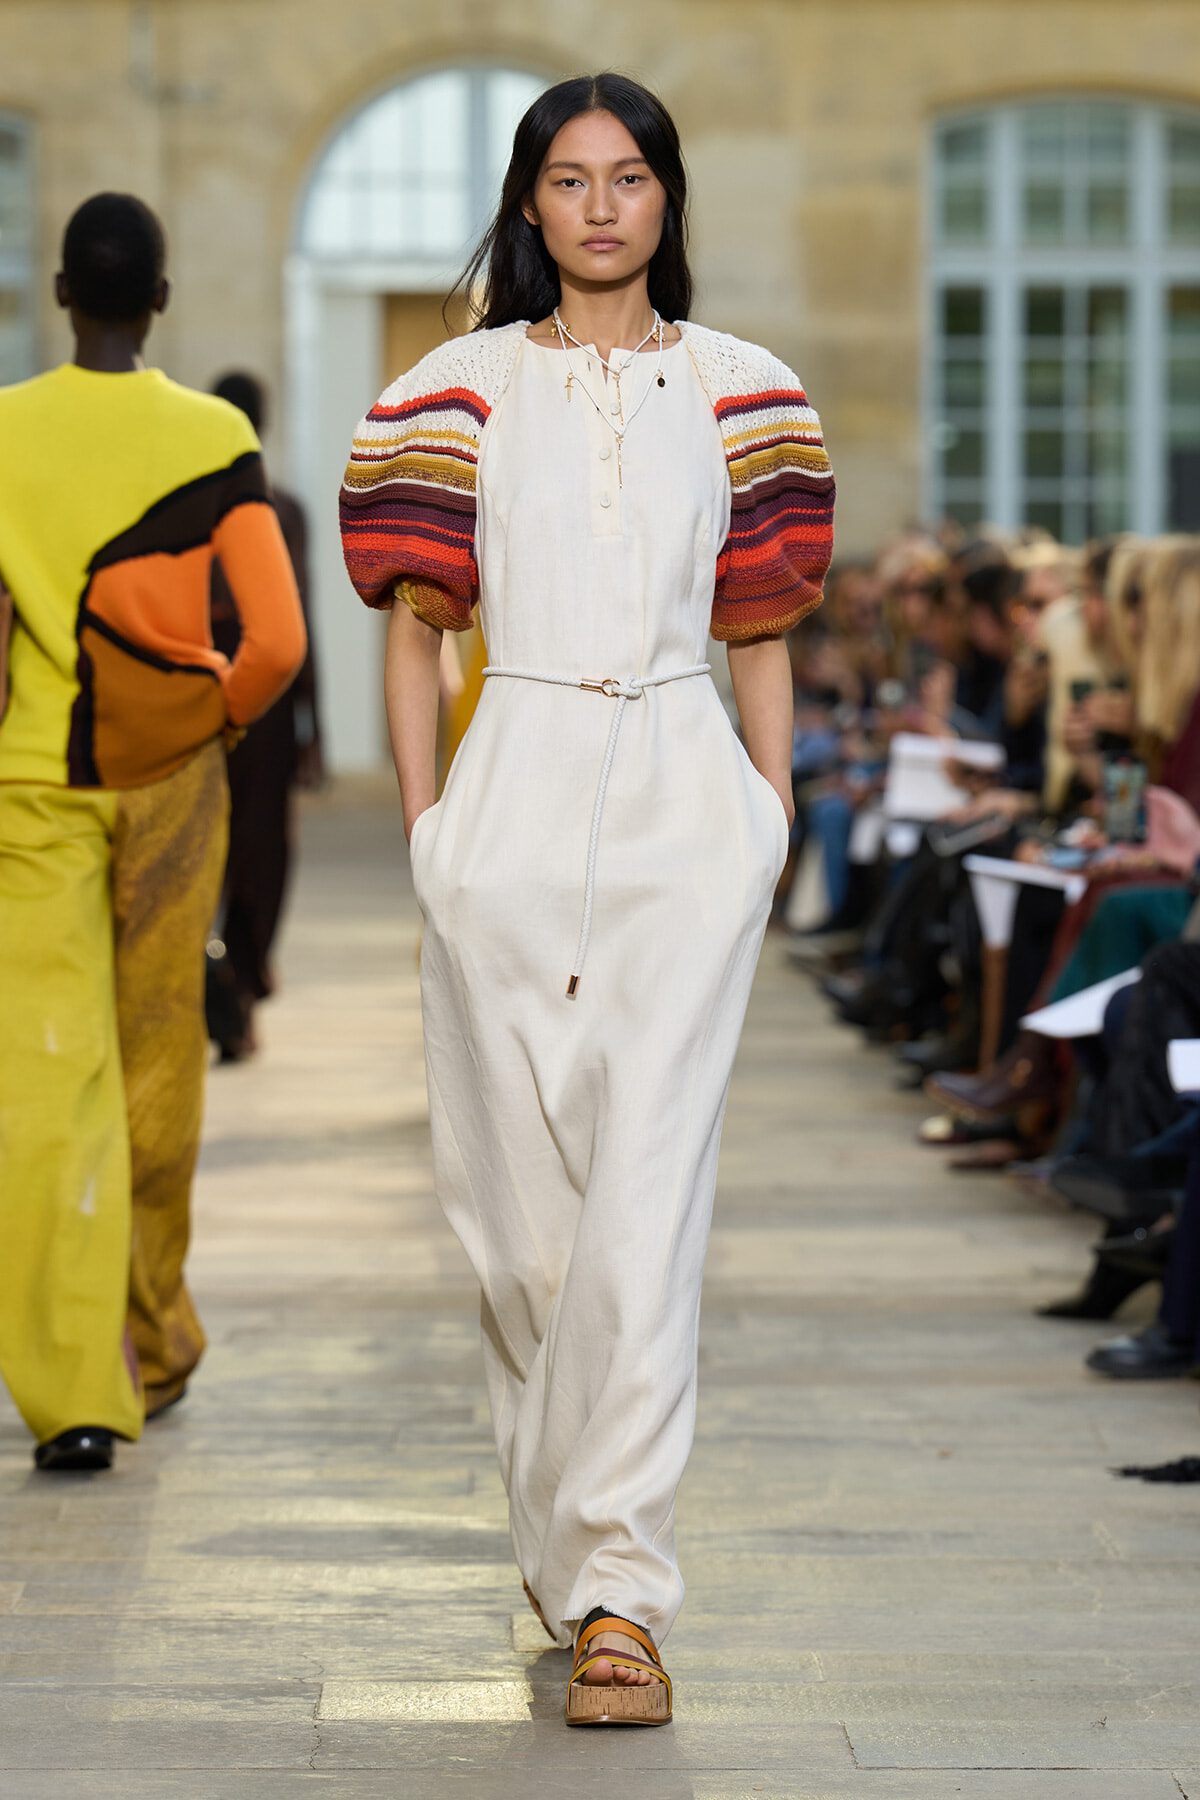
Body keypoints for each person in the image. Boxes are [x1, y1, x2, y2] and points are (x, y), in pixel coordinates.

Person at [340, 73, 834, 1724]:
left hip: (687, 810)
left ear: (667, 197)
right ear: (529, 203)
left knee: (644, 1213)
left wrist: (767, 820)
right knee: (522, 1238)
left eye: (630, 177)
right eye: (570, 179)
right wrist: (429, 829)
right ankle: (568, 1543)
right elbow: (416, 624)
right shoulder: (451, 392)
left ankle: (621, 1593)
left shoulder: (748, 391)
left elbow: (761, 626)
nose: (603, 207)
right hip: (512, 802)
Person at [0, 195, 306, 1471]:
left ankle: (74, 1389)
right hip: (175, 778)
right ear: (161, 301)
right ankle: (155, 1337)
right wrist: (209, 719)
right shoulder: (213, 435)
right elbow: (277, 641)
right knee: (158, 1051)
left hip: (32, 785)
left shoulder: (3, 429)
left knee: (44, 1071)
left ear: (62, 295)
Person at [208, 372, 323, 1059]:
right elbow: (297, 623)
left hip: (203, 689)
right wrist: (314, 729)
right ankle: (241, 989)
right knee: (262, 848)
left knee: (212, 844)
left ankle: (224, 988)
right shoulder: (283, 511)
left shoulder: (188, 512)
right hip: (271, 697)